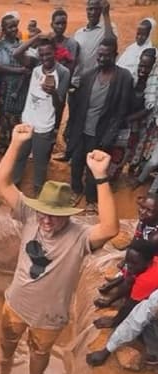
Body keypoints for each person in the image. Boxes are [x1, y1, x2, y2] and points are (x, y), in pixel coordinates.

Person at [0, 123, 119, 374]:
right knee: (6, 346)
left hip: (49, 318)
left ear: (67, 216)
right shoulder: (30, 215)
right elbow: (2, 183)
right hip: (16, 304)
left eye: (55, 216)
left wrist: (101, 177)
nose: (47, 221)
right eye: (44, 213)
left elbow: (110, 228)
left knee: (40, 355)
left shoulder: (79, 236)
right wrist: (17, 143)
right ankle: (3, 369)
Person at [68, 37, 133, 214]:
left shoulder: (123, 77)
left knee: (94, 168)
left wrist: (109, 137)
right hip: (82, 130)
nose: (102, 59)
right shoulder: (89, 76)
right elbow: (77, 105)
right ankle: (75, 191)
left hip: (102, 133)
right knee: (77, 162)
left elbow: (122, 111)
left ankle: (91, 200)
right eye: (100, 55)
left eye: (106, 56)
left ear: (115, 55)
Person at [12, 37, 71, 196]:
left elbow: (60, 105)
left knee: (40, 164)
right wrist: (36, 38)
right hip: (27, 121)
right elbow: (17, 54)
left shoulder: (63, 72)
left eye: (48, 54)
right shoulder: (35, 66)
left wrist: (53, 93)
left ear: (55, 53)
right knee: (19, 158)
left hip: (44, 126)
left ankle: (38, 197)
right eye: (42, 54)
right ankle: (13, 193)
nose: (45, 58)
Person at [63, 0, 116, 162]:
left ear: (100, 11)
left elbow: (111, 43)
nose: (92, 12)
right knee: (73, 119)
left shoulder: (107, 29)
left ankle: (84, 155)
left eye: (96, 9)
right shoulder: (79, 32)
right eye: (90, 9)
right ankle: (70, 153)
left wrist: (107, 15)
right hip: (77, 83)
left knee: (87, 121)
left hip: (94, 85)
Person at [90, 239, 158, 333]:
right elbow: (127, 281)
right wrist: (109, 301)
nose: (129, 266)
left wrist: (114, 321)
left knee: (145, 322)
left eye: (134, 263)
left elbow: (130, 304)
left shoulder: (147, 279)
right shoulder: (139, 265)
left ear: (148, 263)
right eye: (127, 260)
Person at [87, 282, 158, 368]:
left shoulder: (147, 281)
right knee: (148, 319)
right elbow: (136, 320)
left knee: (147, 320)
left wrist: (107, 350)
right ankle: (154, 354)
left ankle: (154, 354)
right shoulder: (155, 300)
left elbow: (136, 320)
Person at [0, 14, 28, 153]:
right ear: (3, 29)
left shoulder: (21, 45)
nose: (13, 29)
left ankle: (15, 146)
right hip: (5, 86)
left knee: (16, 116)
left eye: (15, 26)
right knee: (3, 116)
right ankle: (2, 144)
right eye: (10, 26)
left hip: (19, 86)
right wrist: (19, 70)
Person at [129, 49, 158, 185]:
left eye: (147, 67)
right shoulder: (133, 79)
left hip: (147, 122)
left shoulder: (153, 83)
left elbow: (149, 107)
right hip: (133, 120)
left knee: (143, 147)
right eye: (141, 65)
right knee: (132, 147)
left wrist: (130, 119)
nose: (143, 69)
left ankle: (136, 171)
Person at [51, 9, 80, 75]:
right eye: (57, 23)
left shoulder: (72, 44)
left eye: (64, 23)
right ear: (51, 25)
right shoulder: (47, 42)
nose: (61, 26)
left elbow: (71, 68)